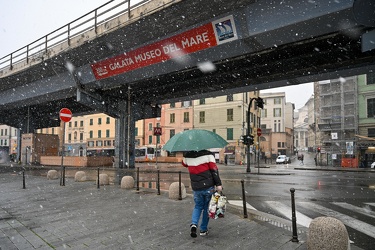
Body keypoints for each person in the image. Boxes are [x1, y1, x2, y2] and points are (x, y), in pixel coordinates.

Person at [182, 150, 223, 238]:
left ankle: (194, 224)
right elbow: (214, 171)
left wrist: (186, 153)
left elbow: (184, 163)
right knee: (206, 208)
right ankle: (203, 229)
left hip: (196, 187)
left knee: (198, 206)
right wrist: (218, 184)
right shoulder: (208, 155)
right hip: (208, 186)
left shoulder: (188, 156)